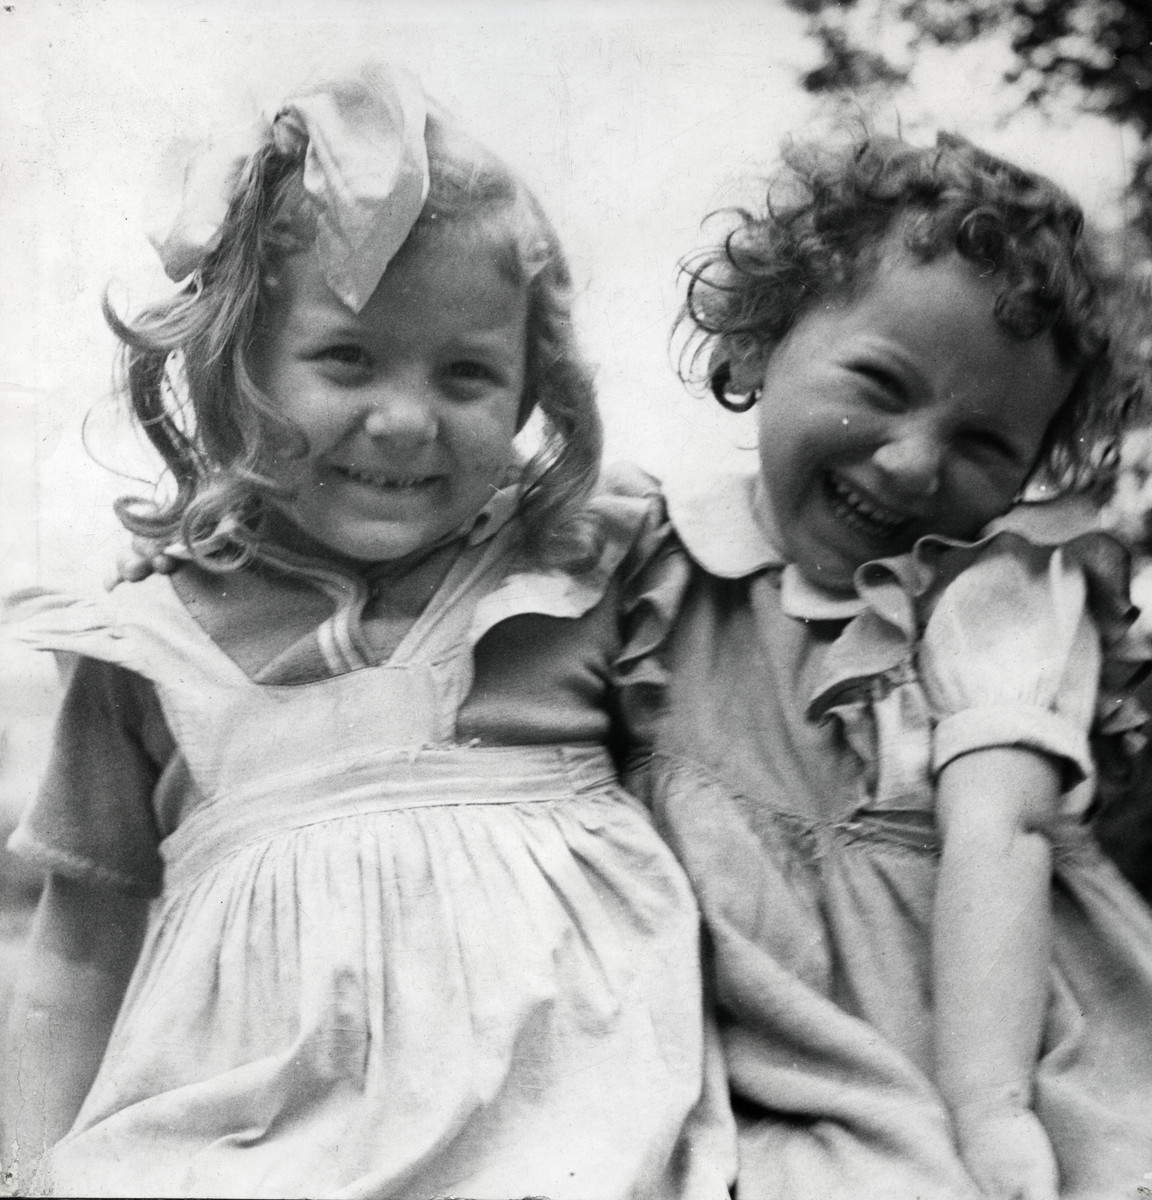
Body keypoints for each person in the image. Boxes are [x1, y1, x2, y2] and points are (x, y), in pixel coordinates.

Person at [0, 64, 734, 1200]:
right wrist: (18, 1169)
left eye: (469, 373)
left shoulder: (570, 578)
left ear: (537, 388)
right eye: (346, 357)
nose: (403, 421)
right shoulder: (149, 648)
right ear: (237, 357)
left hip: (571, 1142)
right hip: (256, 1147)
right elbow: (75, 952)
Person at [642, 131, 1152, 1200]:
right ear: (761, 339)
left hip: (987, 1031)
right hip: (727, 1041)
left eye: (984, 445)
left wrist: (993, 1112)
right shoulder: (643, 566)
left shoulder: (993, 599)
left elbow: (999, 835)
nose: (914, 462)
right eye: (878, 382)